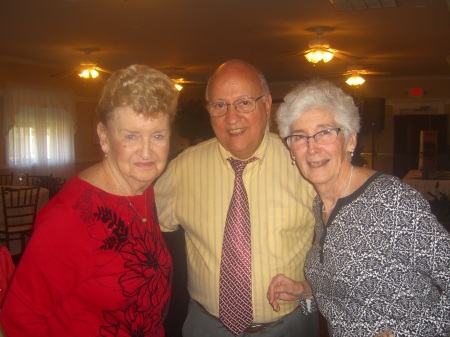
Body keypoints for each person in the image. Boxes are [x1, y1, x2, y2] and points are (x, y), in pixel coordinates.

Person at [0, 64, 179, 336]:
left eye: (157, 136)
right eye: (130, 136)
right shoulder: (70, 217)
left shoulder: (142, 189)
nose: (147, 152)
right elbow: (20, 320)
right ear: (104, 137)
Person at [267, 78, 450, 336]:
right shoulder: (320, 207)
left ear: (351, 140)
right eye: (299, 136)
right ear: (291, 151)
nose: (312, 147)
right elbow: (349, 290)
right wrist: (305, 290)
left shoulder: (391, 200)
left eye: (325, 132)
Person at [154, 59, 318, 337]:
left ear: (267, 104)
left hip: (289, 327)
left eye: (244, 103)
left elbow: (339, 245)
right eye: (219, 106)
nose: (231, 118)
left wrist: (311, 287)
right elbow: (142, 225)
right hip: (206, 326)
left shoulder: (302, 160)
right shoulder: (183, 168)